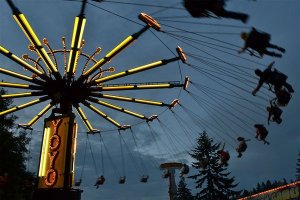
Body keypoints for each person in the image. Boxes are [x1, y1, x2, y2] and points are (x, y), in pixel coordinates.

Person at [183, 0, 249, 23]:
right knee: (222, 13)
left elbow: (196, 15)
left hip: (214, 6)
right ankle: (243, 17)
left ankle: (243, 17)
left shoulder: (191, 8)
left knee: (223, 13)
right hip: (214, 5)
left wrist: (206, 15)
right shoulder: (191, 6)